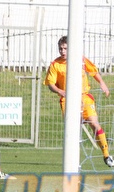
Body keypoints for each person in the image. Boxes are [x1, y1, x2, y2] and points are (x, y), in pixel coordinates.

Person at [44, 35, 113, 167]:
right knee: (72, 129)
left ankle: (106, 155)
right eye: (60, 49)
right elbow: (50, 84)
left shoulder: (80, 60)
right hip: (67, 100)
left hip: (84, 97)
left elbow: (94, 71)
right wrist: (60, 91)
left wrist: (102, 83)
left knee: (94, 123)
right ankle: (73, 162)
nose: (62, 51)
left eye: (65, 48)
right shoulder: (55, 65)